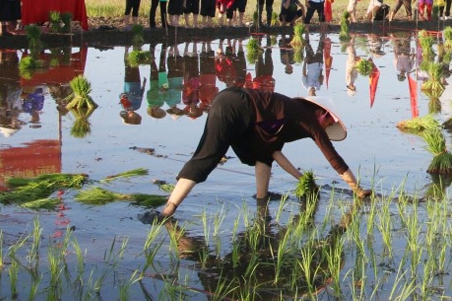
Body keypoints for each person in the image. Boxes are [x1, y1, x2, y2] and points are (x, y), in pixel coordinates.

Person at [156, 90, 371, 218]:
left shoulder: (289, 113)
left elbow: (274, 151)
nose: (326, 128)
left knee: (263, 153)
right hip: (235, 107)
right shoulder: (309, 121)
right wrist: (358, 189)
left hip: (234, 103)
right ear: (323, 114)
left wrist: (303, 179)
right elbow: (334, 159)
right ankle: (168, 209)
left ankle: (262, 199)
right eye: (329, 123)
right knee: (208, 156)